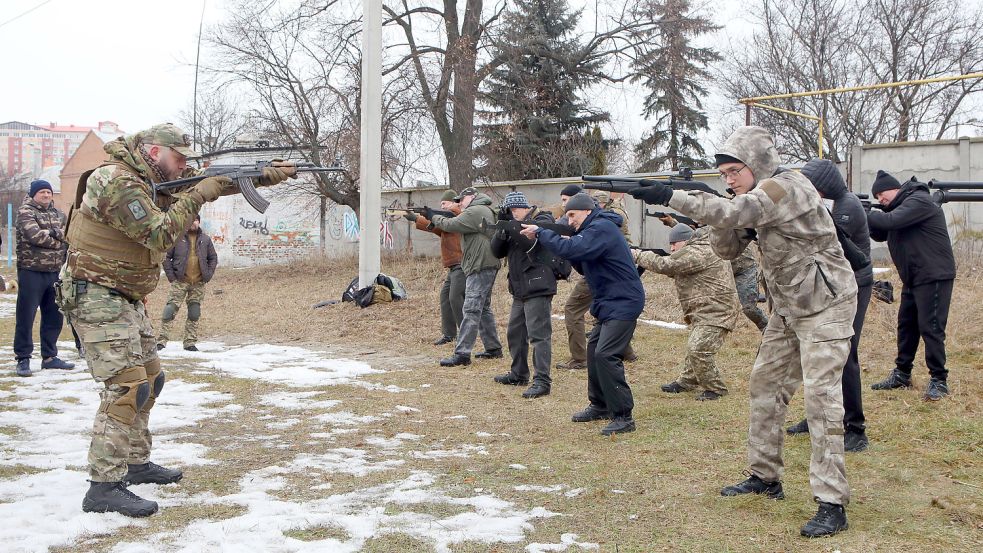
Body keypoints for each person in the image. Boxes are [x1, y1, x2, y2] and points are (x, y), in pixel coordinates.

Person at [628, 126, 857, 538]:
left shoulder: (789, 187)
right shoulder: (746, 200)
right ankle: (765, 477)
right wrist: (714, 212)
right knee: (764, 386)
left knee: (822, 401)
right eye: (725, 175)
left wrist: (674, 196)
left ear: (759, 164)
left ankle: (831, 501)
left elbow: (739, 211)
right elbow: (728, 249)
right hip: (788, 308)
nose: (729, 180)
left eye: (735, 171)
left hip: (826, 305)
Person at [57, 123, 295, 517]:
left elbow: (211, 181)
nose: (184, 165)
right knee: (126, 388)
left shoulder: (156, 176)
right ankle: (103, 485)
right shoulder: (116, 181)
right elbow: (160, 234)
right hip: (95, 293)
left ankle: (134, 463)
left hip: (125, 296)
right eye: (178, 157)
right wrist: (201, 194)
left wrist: (264, 175)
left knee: (151, 380)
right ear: (154, 152)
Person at [521, 193, 644, 435]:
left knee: (606, 354)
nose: (569, 220)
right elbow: (579, 259)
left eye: (572, 215)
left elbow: (574, 248)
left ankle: (623, 416)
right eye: (567, 216)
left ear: (587, 211)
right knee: (594, 351)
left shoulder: (602, 227)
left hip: (624, 301)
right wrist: (565, 239)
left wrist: (544, 233)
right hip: (609, 301)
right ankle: (600, 405)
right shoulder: (592, 230)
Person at [786, 158, 873, 451]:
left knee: (845, 354)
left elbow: (831, 244)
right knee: (817, 354)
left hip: (855, 284)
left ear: (822, 186)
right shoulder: (833, 203)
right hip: (833, 286)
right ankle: (816, 417)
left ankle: (856, 429)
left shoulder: (846, 205)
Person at [866, 170, 955, 401]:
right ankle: (902, 374)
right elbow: (880, 233)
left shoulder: (918, 200)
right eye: (876, 196)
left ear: (895, 189)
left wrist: (863, 212)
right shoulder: (898, 207)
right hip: (913, 276)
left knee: (931, 327)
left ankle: (939, 379)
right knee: (906, 326)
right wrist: (867, 217)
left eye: (881, 194)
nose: (880, 199)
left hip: (933, 274)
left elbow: (890, 221)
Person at [633, 223, 740, 401]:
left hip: (718, 310)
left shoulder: (699, 251)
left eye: (674, 243)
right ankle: (688, 381)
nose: (672, 248)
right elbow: (675, 268)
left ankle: (716, 388)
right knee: (696, 344)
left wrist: (636, 254)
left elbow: (665, 265)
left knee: (698, 348)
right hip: (705, 309)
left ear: (686, 240)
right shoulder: (700, 249)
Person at [557, 188, 638, 370]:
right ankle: (625, 351)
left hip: (603, 268)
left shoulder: (602, 223)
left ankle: (579, 358)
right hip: (606, 268)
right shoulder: (607, 218)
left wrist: (563, 241)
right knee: (607, 314)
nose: (564, 205)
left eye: (567, 202)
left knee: (573, 309)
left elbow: (581, 248)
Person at [490, 191, 557, 399]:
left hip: (538, 286)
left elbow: (533, 246)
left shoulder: (542, 220)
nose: (513, 213)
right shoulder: (512, 223)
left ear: (526, 207)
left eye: (516, 209)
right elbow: (496, 252)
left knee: (539, 335)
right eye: (510, 210)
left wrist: (514, 228)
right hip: (519, 288)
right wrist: (502, 227)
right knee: (515, 333)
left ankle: (542, 380)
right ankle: (518, 373)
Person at [428, 187, 502, 366]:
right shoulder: (482, 209)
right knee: (483, 308)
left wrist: (433, 216)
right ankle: (493, 348)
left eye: (462, 199)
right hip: (484, 263)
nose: (459, 202)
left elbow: (449, 225)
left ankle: (462, 354)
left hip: (480, 264)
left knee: (471, 308)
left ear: (473, 197)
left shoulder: (475, 210)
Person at [13, 179, 74, 377]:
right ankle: (23, 358)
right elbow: (35, 236)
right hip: (31, 271)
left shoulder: (58, 214)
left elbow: (69, 235)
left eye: (48, 192)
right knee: (26, 316)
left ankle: (50, 357)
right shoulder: (25, 212)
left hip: (55, 272)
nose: (46, 195)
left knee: (54, 316)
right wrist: (58, 239)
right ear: (33, 195)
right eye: (42, 192)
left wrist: (55, 233)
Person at [404, 190, 464, 345]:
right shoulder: (447, 219)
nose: (442, 206)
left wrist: (425, 216)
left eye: (444, 203)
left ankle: (465, 334)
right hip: (453, 264)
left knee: (455, 298)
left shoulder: (458, 215)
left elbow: (445, 224)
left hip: (460, 263)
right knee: (445, 298)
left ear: (454, 202)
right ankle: (449, 334)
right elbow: (439, 228)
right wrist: (417, 218)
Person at [156, 215, 218, 352]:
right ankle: (161, 341)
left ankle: (189, 342)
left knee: (194, 313)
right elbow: (166, 257)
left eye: (195, 220)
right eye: (190, 220)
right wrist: (172, 277)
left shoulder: (205, 240)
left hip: (198, 283)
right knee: (169, 311)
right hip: (180, 281)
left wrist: (208, 274)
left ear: (199, 222)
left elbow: (213, 257)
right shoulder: (177, 238)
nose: (193, 223)